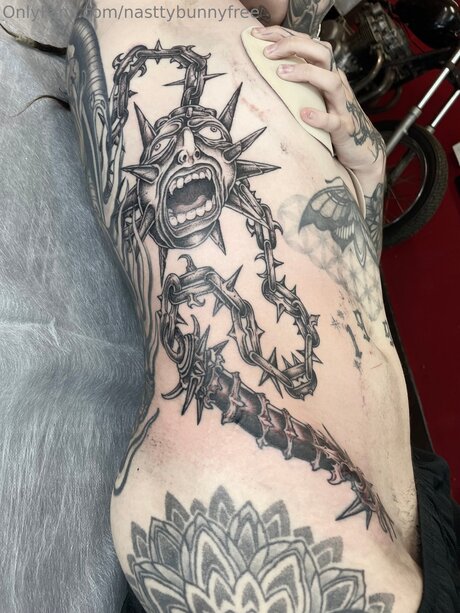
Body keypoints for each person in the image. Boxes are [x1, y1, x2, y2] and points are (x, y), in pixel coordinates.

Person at [67, 1, 458, 611]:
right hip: (278, 525)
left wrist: (367, 177)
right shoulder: (145, 29)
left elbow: (353, 292)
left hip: (417, 502)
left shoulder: (255, 47)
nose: (316, 9)